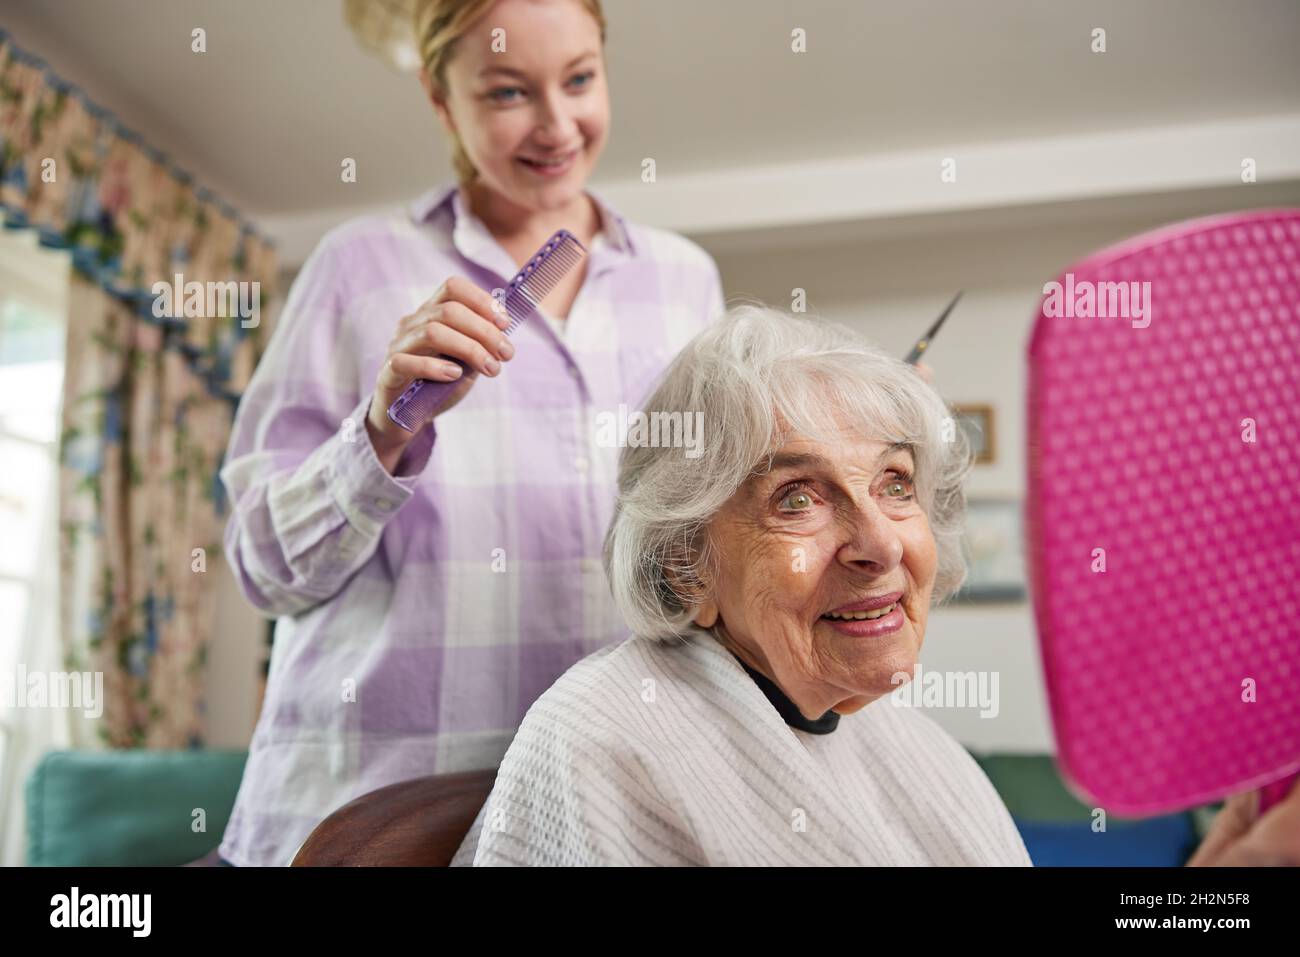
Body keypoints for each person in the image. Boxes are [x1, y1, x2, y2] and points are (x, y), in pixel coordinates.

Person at [454, 304, 1300, 866]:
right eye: (798, 496)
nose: (878, 542)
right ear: (687, 565)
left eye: (895, 483)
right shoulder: (603, 737)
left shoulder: (898, 737)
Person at [216, 0, 724, 866]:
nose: (558, 126)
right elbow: (264, 567)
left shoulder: (685, 283)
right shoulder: (358, 266)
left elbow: (706, 553)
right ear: (440, 98)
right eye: (507, 92)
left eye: (580, 79)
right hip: (361, 817)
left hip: (597, 818)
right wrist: (380, 432)